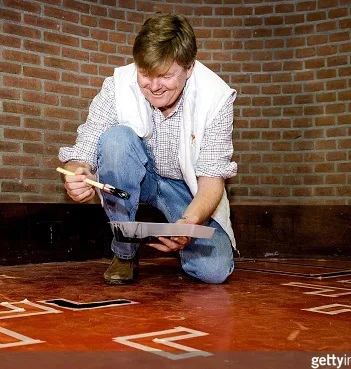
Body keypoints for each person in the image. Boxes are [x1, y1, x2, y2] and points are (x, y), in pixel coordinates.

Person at [58, 13, 238, 285]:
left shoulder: (217, 98)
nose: (154, 87)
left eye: (165, 76)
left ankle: (182, 242)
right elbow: (83, 149)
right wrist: (75, 172)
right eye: (145, 74)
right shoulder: (118, 85)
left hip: (186, 190)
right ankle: (124, 252)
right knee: (116, 140)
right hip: (139, 177)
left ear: (189, 68)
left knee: (214, 271)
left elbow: (212, 180)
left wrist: (189, 223)